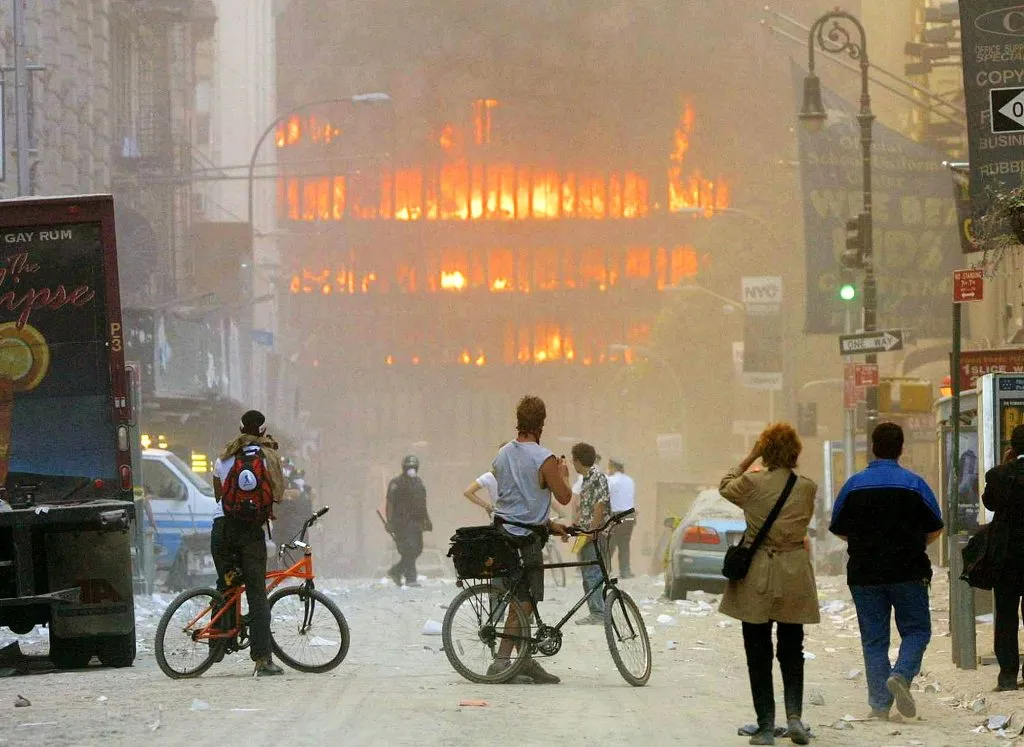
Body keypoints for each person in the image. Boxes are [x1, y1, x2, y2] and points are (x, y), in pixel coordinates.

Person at [830, 422, 943, 719]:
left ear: (872, 448)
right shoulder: (915, 485)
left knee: (874, 639)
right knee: (917, 630)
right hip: (908, 572)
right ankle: (902, 675)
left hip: (864, 574)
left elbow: (838, 527)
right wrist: (914, 544)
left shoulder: (853, 485)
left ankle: (880, 705)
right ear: (901, 449)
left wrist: (863, 542)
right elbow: (935, 527)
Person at [719, 423, 818, 746]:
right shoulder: (806, 487)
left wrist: (751, 456)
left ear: (766, 450)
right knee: (792, 649)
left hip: (758, 573)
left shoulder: (751, 483)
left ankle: (765, 727)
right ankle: (794, 718)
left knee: (757, 651)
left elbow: (724, 486)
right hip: (794, 573)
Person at [489, 394, 573, 684]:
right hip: (526, 540)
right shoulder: (544, 458)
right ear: (541, 423)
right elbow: (564, 496)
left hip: (502, 533)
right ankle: (502, 661)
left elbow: (516, 502)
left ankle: (524, 661)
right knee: (524, 601)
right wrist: (563, 474)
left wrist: (549, 524)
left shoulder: (501, 455)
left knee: (522, 598)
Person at [210, 409, 286, 677]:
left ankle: (217, 646)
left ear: (240, 428)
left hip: (223, 529)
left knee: (225, 585)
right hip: (251, 533)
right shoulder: (269, 457)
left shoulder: (225, 456)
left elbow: (218, 494)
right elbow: (277, 493)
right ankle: (263, 660)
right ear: (263, 430)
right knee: (256, 594)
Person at [981, 424, 1024, 691]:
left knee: (1006, 615)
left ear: (1012, 448)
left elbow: (989, 503)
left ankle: (1008, 675)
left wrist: (1003, 467)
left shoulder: (998, 475)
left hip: (1007, 556)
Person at [572, 442, 610, 624]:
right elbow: (584, 508)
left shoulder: (597, 477)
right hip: (586, 533)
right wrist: (575, 528)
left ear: (578, 461)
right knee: (587, 574)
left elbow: (600, 506)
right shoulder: (586, 480)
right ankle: (595, 611)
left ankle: (599, 613)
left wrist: (593, 531)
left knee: (593, 573)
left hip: (594, 534)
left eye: (573, 460)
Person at [385, 454, 432, 587]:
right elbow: (389, 503)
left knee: (418, 549)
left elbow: (422, 503)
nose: (411, 469)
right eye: (409, 467)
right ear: (404, 467)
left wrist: (427, 520)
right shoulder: (396, 483)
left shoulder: (419, 483)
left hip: (416, 522)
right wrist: (389, 521)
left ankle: (396, 571)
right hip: (401, 522)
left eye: (413, 467)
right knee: (409, 549)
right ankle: (411, 578)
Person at [605, 458, 636, 578]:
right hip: (629, 516)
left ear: (612, 467)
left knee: (610, 544)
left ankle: (606, 570)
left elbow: (605, 497)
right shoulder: (630, 480)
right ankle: (625, 571)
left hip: (615, 515)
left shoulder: (610, 480)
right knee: (624, 544)